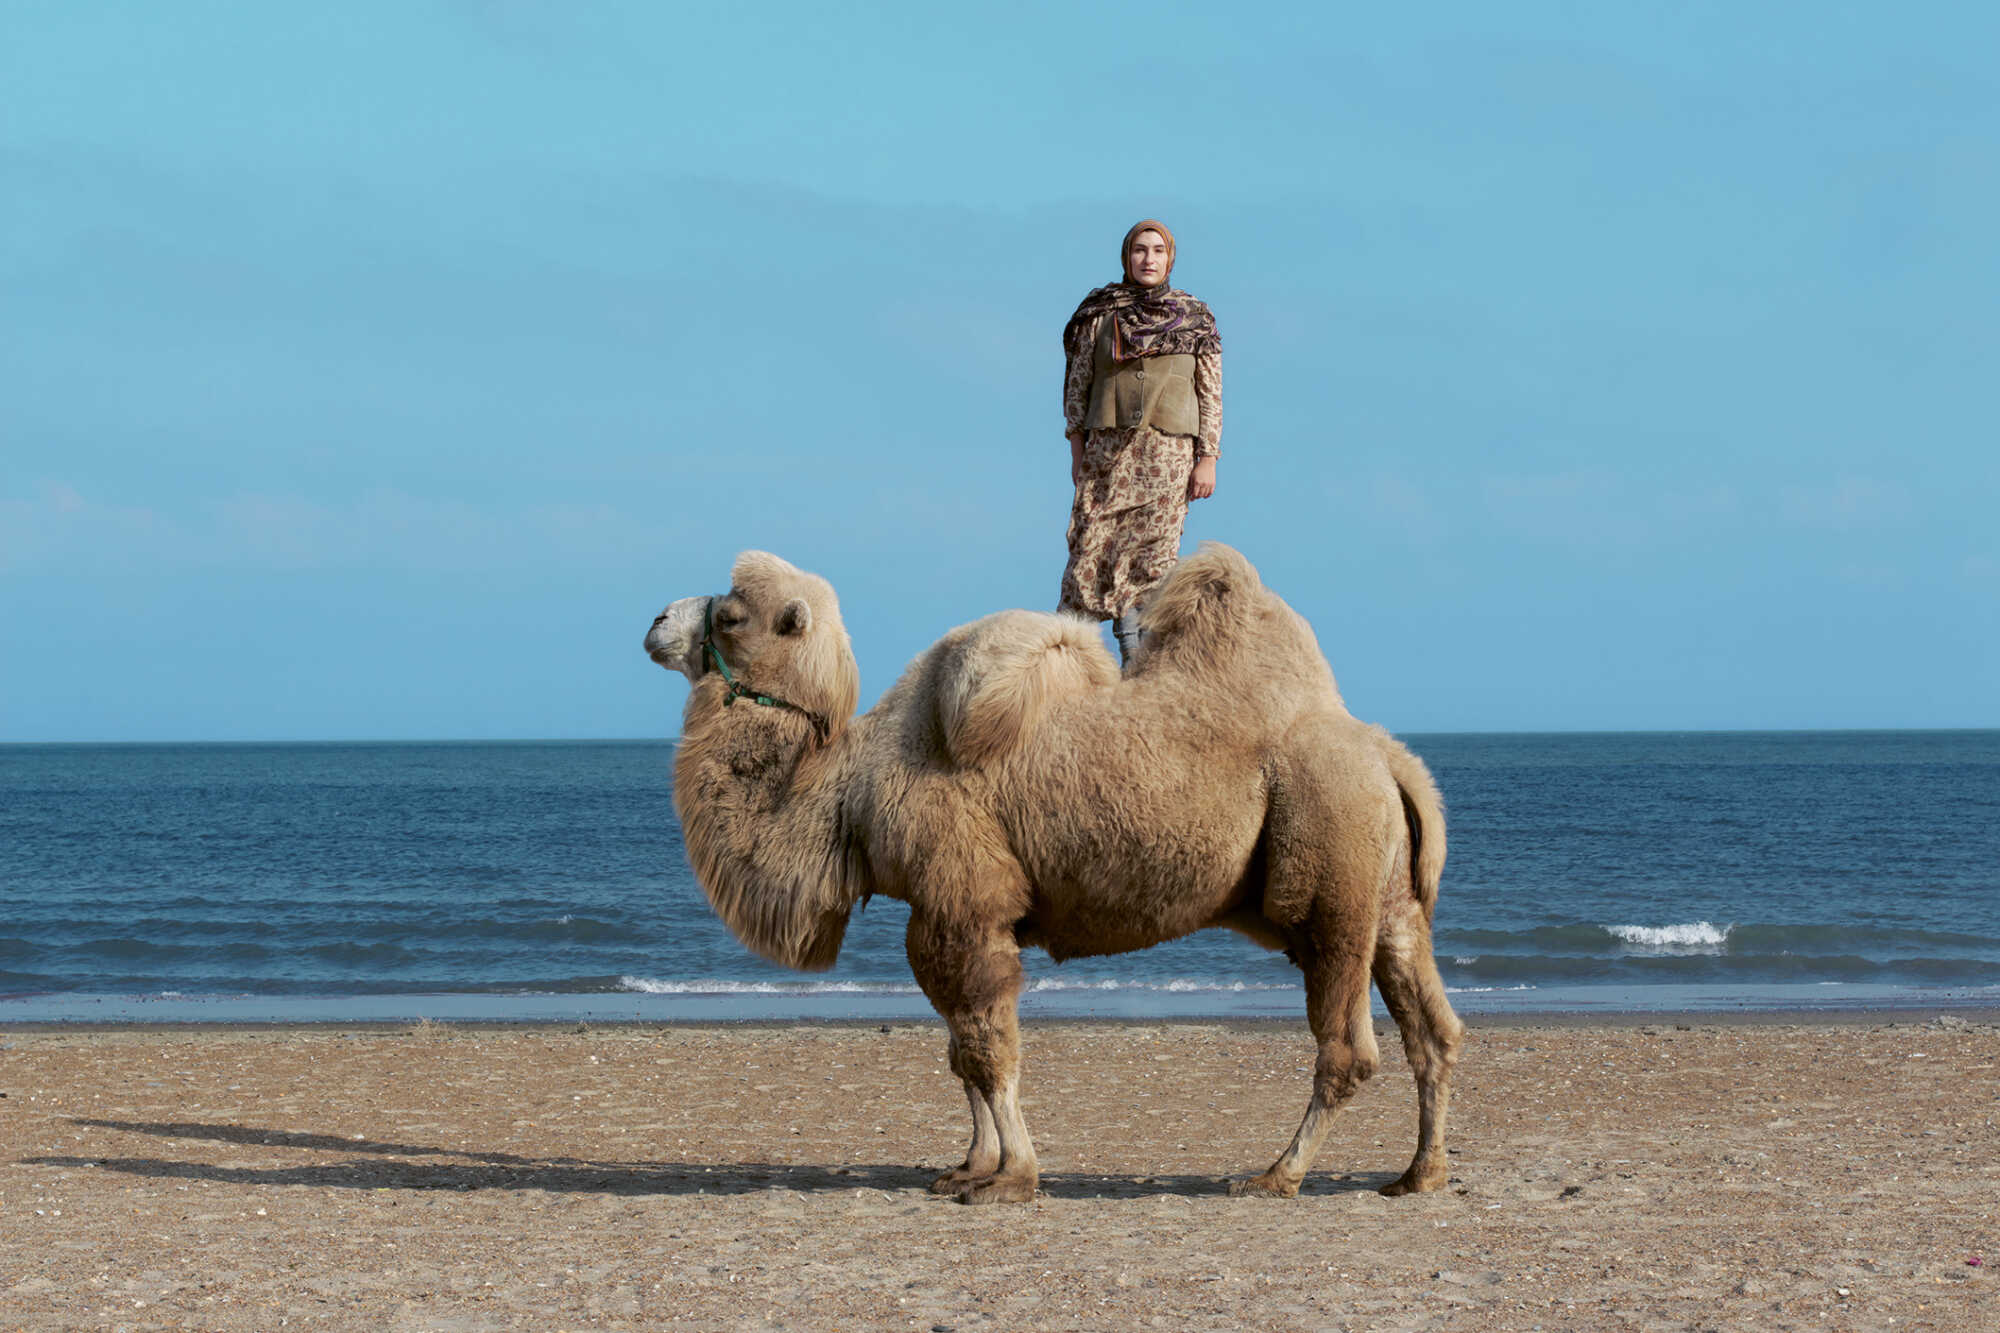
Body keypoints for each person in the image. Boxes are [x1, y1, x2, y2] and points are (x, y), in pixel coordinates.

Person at [1058, 218, 1222, 664]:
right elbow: (1077, 388)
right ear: (1126, 257)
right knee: (1091, 557)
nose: (1148, 259)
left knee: (1151, 566)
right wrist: (1078, 454)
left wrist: (1208, 457)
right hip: (1106, 458)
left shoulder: (1196, 317)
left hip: (1167, 459)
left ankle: (1137, 668)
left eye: (1158, 251)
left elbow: (1210, 392)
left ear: (1170, 258)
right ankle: (1072, 670)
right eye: (1139, 250)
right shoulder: (1098, 314)